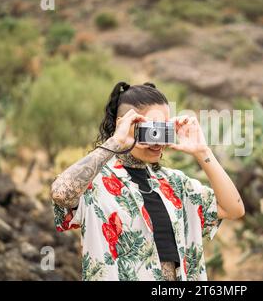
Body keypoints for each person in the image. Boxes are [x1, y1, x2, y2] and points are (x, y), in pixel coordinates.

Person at [50, 81, 245, 281]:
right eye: (151, 128)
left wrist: (202, 151)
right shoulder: (95, 183)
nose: (158, 139)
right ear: (124, 124)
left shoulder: (175, 184)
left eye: (164, 128)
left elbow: (233, 209)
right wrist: (115, 142)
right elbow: (60, 193)